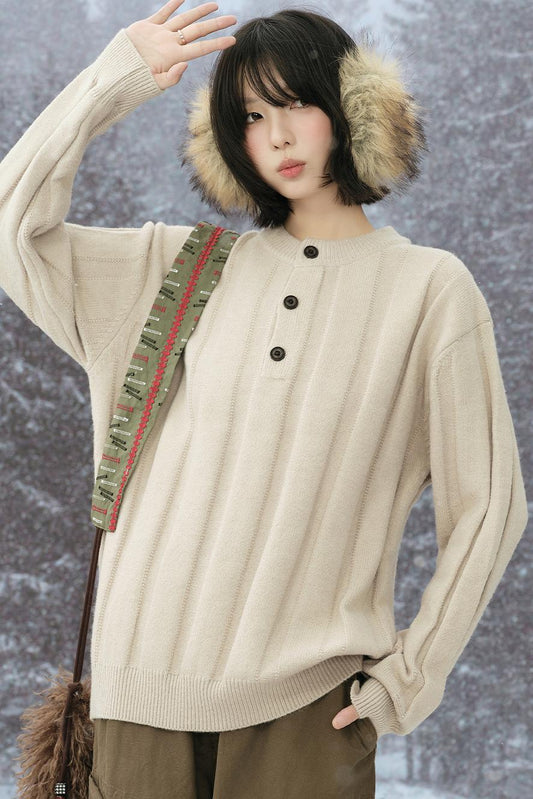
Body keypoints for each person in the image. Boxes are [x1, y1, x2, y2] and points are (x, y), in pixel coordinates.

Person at [0, 1, 528, 797]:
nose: (276, 135)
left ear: (351, 109)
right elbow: (13, 227)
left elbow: (488, 503)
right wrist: (117, 76)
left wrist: (405, 680)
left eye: (295, 103)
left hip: (306, 714)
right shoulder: (173, 269)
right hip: (137, 703)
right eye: (249, 115)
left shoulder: (428, 292)